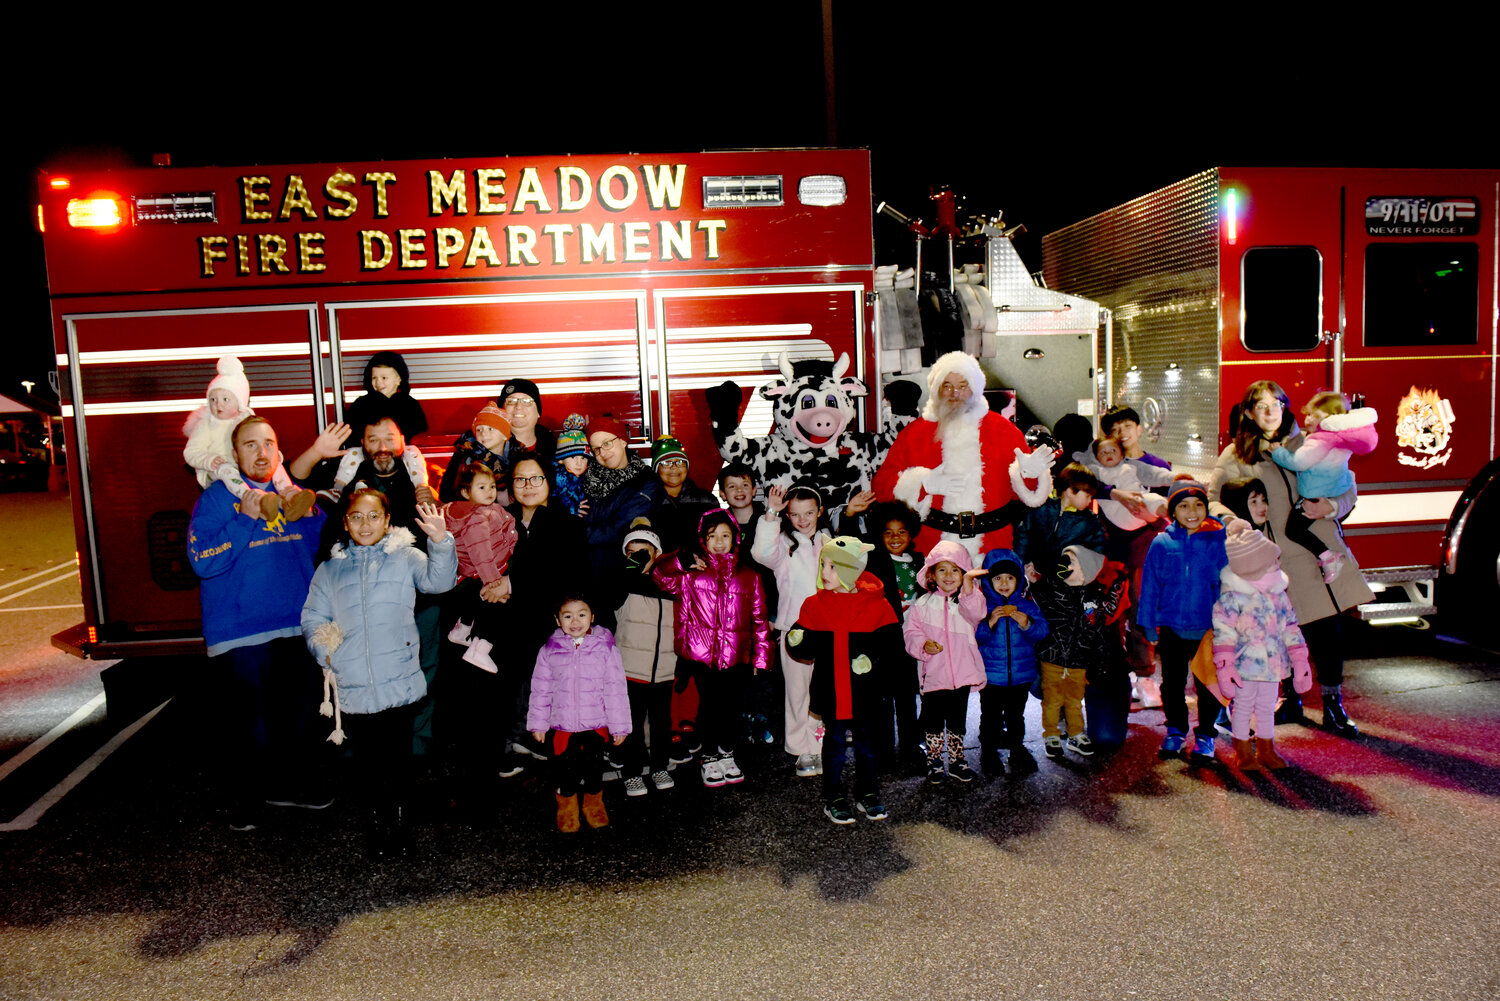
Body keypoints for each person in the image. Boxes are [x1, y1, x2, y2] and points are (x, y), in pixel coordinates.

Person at [1207, 380, 1373, 737]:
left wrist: (1332, 506)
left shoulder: (1311, 441)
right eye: (1261, 406)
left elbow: (1348, 486)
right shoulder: (1236, 455)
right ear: (1249, 413)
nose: (1271, 412)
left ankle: (1333, 705)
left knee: (1325, 631)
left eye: (1277, 404)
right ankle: (1291, 701)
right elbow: (1213, 498)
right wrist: (1232, 520)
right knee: (1278, 635)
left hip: (1316, 554)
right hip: (1270, 562)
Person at [188, 416, 329, 831]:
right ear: (234, 455)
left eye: (269, 442)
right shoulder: (216, 499)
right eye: (250, 444)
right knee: (249, 727)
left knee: (299, 718)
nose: (261, 451)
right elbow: (203, 561)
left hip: (295, 626)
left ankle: (288, 788)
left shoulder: (295, 497)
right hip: (240, 633)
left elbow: (325, 543)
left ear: (279, 451)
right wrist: (246, 518)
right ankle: (247, 800)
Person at [301, 489, 455, 855]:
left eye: (373, 516)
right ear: (345, 522)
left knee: (399, 759)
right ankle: (375, 827)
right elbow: (312, 617)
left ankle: (401, 828)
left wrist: (440, 541)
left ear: (387, 521)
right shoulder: (330, 569)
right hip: (352, 681)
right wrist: (324, 649)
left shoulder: (405, 557)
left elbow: (440, 582)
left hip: (398, 678)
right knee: (364, 763)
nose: (365, 524)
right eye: (356, 516)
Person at [872, 350, 1049, 562]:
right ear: (936, 390)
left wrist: (1030, 474)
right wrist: (922, 483)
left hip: (992, 547)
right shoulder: (914, 434)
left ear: (975, 389)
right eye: (946, 385)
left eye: (962, 386)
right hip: (932, 548)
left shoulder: (1005, 431)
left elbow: (1025, 495)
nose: (954, 393)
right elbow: (881, 488)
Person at [785, 536, 902, 824]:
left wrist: (873, 664)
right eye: (823, 565)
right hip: (833, 690)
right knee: (834, 743)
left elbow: (892, 649)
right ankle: (833, 795)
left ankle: (868, 792)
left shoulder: (878, 606)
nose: (824, 573)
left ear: (851, 571)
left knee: (867, 743)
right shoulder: (815, 605)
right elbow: (805, 649)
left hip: (866, 692)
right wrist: (797, 639)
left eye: (832, 567)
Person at [651, 510, 772, 788]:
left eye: (725, 536)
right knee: (707, 708)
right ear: (703, 539)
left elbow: (759, 619)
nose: (719, 542)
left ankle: (726, 753)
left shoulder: (749, 576)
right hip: (700, 656)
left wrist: (761, 657)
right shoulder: (692, 572)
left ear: (735, 539)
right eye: (712, 536)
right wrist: (679, 561)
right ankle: (708, 756)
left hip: (735, 656)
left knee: (731, 707)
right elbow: (660, 575)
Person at [1137, 480, 1229, 762]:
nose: (1192, 511)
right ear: (1172, 511)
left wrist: (1229, 624)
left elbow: (1229, 583)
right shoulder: (1162, 543)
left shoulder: (1218, 540)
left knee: (1208, 686)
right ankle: (1176, 730)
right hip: (1172, 626)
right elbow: (1150, 586)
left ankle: (1205, 735)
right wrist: (1149, 624)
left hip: (1208, 628)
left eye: (1199, 505)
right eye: (1184, 506)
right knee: (1172, 684)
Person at [1212, 519, 1312, 771]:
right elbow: (1223, 634)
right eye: (1272, 562)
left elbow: (1291, 627)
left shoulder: (1278, 595)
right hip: (1244, 668)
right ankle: (1243, 753)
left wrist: (1299, 659)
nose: (1277, 566)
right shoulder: (1233, 598)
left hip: (1272, 666)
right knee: (1243, 707)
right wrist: (1225, 666)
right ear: (1255, 567)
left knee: (1267, 707)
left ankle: (1267, 750)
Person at [526, 595, 632, 833]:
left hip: (595, 724)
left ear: (592, 617)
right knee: (563, 769)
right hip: (562, 726)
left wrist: (619, 726)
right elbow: (541, 689)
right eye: (568, 616)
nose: (575, 621)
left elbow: (615, 689)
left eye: (582, 615)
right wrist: (538, 724)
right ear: (557, 620)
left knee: (594, 768)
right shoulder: (549, 651)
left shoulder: (606, 649)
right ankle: (567, 806)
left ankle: (594, 804)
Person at [182, 355, 316, 524]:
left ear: (239, 402)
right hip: (219, 468)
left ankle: (289, 496)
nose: (218, 405)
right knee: (227, 470)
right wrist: (209, 460)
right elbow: (191, 453)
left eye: (225, 399)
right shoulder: (206, 425)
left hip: (244, 465)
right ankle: (255, 499)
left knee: (275, 466)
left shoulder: (245, 419)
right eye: (213, 400)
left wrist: (273, 456)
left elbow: (261, 438)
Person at [752, 483, 828, 776]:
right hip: (794, 631)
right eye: (795, 514)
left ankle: (820, 746)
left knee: (822, 693)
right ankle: (801, 750)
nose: (803, 519)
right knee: (797, 693)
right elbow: (761, 553)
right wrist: (771, 514)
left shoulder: (829, 542)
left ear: (819, 511)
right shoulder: (783, 545)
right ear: (788, 515)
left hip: (827, 630)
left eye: (809, 512)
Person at [1267, 391, 1378, 583]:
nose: (1308, 418)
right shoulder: (1340, 439)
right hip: (1335, 491)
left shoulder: (1319, 440)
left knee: (1293, 530)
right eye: (1308, 414)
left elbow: (1299, 462)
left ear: (1329, 419)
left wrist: (1278, 452)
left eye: (1314, 415)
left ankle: (1328, 556)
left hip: (1314, 496)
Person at [1031, 545, 1128, 760]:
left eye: (1071, 562)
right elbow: (1042, 593)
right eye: (1063, 561)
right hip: (1053, 659)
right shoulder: (1054, 590)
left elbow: (1099, 626)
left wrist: (1100, 661)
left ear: (1087, 571)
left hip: (1078, 660)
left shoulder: (1092, 600)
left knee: (1075, 700)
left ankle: (1076, 733)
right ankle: (1051, 735)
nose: (1064, 566)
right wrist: (1037, 579)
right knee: (1052, 700)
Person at [902, 540, 988, 783]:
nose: (949, 576)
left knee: (957, 722)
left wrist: (969, 588)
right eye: (942, 569)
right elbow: (911, 633)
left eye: (956, 570)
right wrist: (923, 645)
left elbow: (977, 614)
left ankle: (958, 760)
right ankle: (934, 761)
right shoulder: (922, 605)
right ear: (931, 573)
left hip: (961, 676)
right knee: (932, 722)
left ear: (963, 574)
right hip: (934, 676)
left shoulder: (967, 602)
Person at [608, 520, 678, 797]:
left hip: (664, 669)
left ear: (657, 554)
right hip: (630, 669)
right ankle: (632, 771)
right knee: (632, 724)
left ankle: (659, 766)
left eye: (645, 552)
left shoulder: (669, 587)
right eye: (631, 553)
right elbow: (610, 590)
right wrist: (630, 568)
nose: (638, 558)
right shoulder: (621, 585)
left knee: (662, 722)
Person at [862, 502, 926, 771]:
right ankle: (883, 751)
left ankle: (911, 747)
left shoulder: (922, 562)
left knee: (908, 696)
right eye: (888, 533)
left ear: (911, 534)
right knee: (882, 699)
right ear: (879, 535)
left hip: (912, 639)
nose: (895, 538)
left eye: (901, 532)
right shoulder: (875, 560)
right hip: (884, 639)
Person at [719, 461, 779, 747]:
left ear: (755, 489)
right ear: (722, 492)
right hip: (731, 612)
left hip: (765, 607)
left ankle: (764, 719)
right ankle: (742, 720)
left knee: (764, 666)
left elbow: (775, 570)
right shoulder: (719, 524)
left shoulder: (769, 521)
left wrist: (773, 612)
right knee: (739, 668)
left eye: (744, 485)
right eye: (731, 486)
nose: (739, 491)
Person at [975, 548, 1048, 775]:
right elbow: (974, 636)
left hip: (1021, 675)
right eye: (997, 578)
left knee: (1016, 716)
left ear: (1018, 579)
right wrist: (989, 623)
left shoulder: (1026, 605)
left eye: (1010, 577)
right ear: (988, 581)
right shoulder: (983, 606)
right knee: (990, 717)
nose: (1004, 583)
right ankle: (988, 751)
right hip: (991, 676)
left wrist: (1027, 623)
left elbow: (1042, 631)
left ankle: (1017, 749)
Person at [325, 352, 433, 504]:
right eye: (374, 378)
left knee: (414, 454)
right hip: (367, 451)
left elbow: (421, 430)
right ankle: (338, 488)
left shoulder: (409, 404)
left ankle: (421, 488)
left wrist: (407, 443)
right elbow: (351, 431)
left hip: (401, 451)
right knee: (352, 454)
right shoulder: (362, 403)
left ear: (399, 379)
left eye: (384, 378)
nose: (378, 382)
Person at [441, 465, 519, 674]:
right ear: (466, 493)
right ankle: (480, 649)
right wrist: (493, 581)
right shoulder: (476, 518)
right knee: (498, 606)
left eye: (492, 486)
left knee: (477, 603)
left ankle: (462, 630)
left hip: (485, 568)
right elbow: (481, 554)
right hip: (490, 569)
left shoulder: (482, 510)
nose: (490, 492)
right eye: (482, 487)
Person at [1013, 461, 1108, 582]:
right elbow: (1023, 536)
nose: (1090, 500)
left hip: (1062, 581)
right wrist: (1023, 564)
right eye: (1087, 496)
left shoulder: (1090, 522)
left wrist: (1068, 576)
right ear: (1070, 491)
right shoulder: (1040, 507)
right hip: (1029, 572)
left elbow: (1095, 553)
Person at [438, 404, 512, 502]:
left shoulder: (517, 457)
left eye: (491, 428)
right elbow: (446, 492)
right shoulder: (464, 454)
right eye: (479, 429)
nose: (483, 433)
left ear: (504, 434)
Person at [496, 378, 556, 467]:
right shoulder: (485, 449)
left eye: (527, 401)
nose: (518, 406)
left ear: (538, 412)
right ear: (501, 410)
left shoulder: (558, 450)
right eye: (511, 401)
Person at [551, 414, 592, 517]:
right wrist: (571, 509)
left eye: (583, 458)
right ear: (560, 460)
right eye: (573, 457)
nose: (579, 463)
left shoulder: (589, 477)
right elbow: (552, 504)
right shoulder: (556, 479)